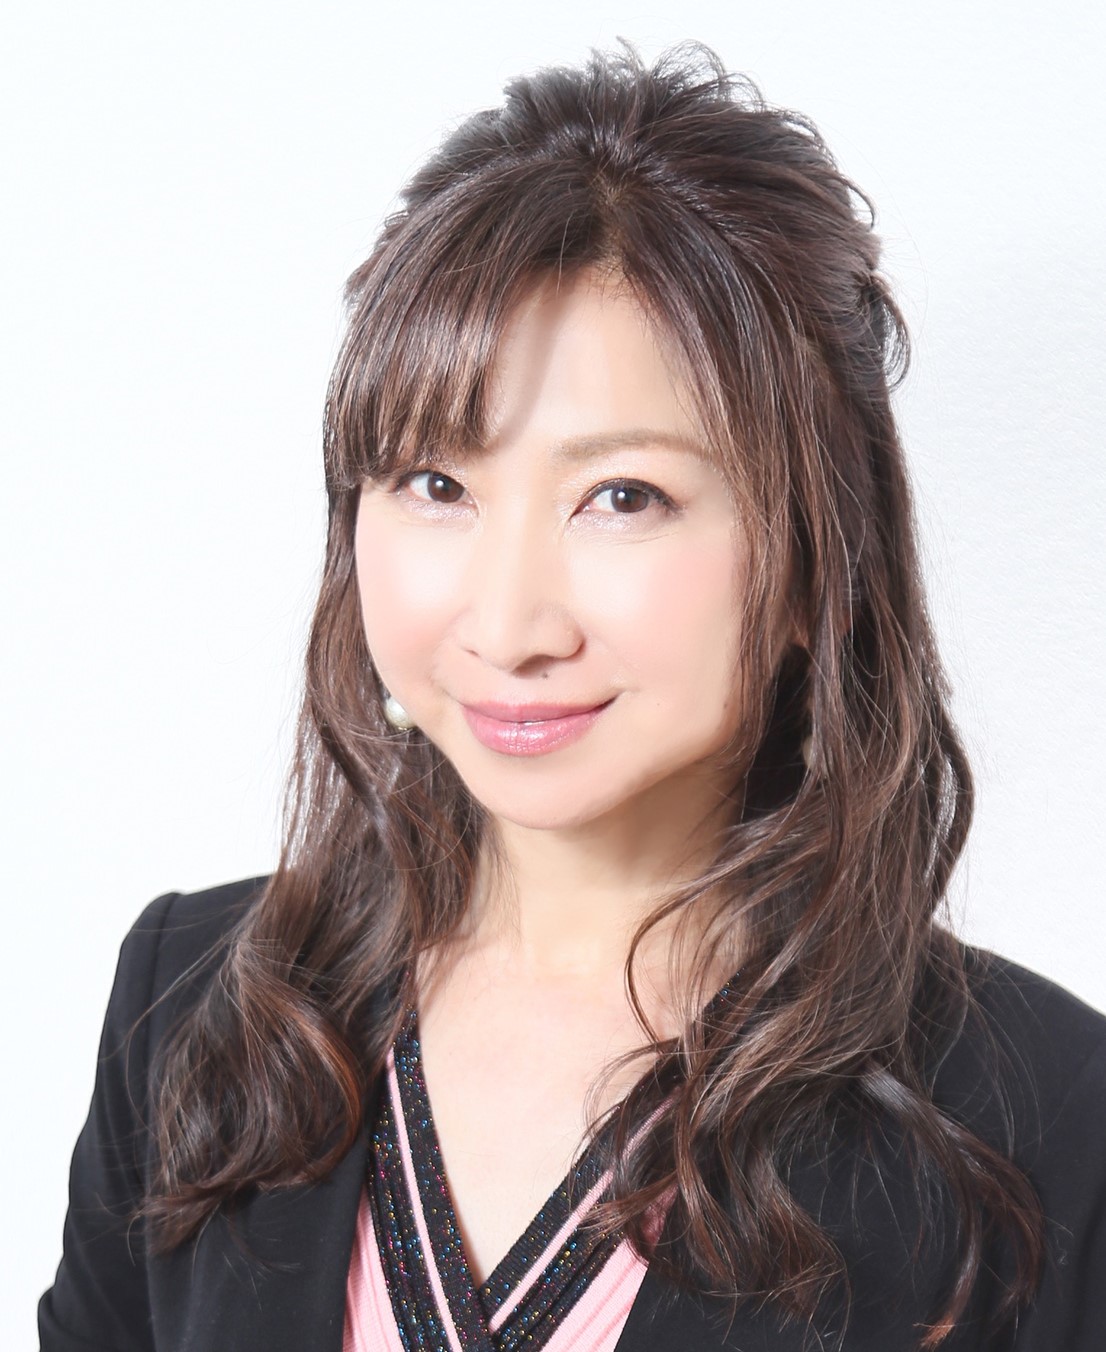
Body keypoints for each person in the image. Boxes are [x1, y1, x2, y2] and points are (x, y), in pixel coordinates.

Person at [39, 41, 1106, 1352]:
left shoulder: (1044, 1120)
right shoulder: (198, 1001)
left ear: (814, 557)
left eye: (622, 497)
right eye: (436, 484)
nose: (508, 625)